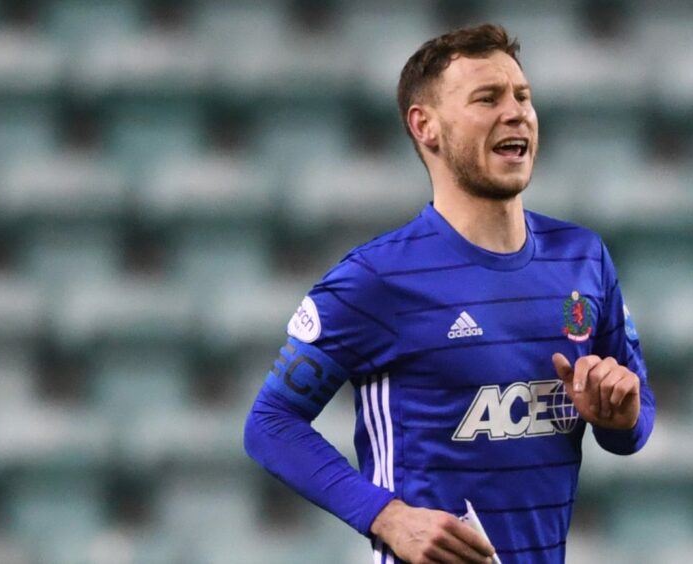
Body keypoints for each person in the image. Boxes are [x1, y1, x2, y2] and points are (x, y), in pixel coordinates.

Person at [244, 23, 655, 564]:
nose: (516, 113)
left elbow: (635, 422)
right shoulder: (378, 280)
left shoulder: (582, 258)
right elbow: (270, 424)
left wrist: (619, 414)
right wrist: (389, 518)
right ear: (426, 127)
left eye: (523, 97)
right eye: (487, 99)